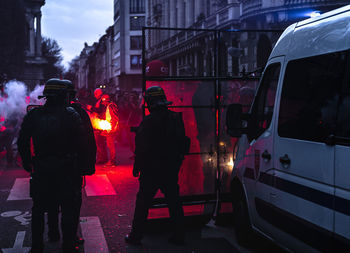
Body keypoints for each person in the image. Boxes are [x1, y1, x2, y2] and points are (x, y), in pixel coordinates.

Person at [17, 78, 89, 253]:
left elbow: (22, 142)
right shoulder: (72, 115)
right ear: (64, 96)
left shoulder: (33, 115)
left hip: (42, 168)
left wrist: (28, 162)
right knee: (68, 209)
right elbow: (82, 143)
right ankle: (68, 246)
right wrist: (81, 166)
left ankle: (37, 246)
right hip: (66, 168)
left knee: (39, 209)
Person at [125, 86, 188, 245]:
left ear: (150, 102)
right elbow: (184, 143)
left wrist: (137, 167)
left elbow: (141, 148)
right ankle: (179, 234)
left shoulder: (148, 121)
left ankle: (136, 235)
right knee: (174, 202)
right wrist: (177, 162)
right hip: (170, 168)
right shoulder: (175, 118)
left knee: (143, 203)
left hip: (151, 170)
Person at [45, 80, 97, 246]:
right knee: (72, 203)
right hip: (71, 166)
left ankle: (53, 232)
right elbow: (88, 141)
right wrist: (88, 165)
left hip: (47, 166)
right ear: (70, 95)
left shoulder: (42, 113)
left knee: (52, 200)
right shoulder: (78, 113)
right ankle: (71, 236)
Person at [99, 94, 119, 166]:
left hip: (111, 129)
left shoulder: (111, 106)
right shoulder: (110, 106)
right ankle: (112, 161)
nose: (103, 103)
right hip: (110, 128)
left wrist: (111, 128)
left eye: (103, 102)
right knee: (109, 145)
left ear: (106, 101)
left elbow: (114, 118)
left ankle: (112, 161)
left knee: (111, 145)